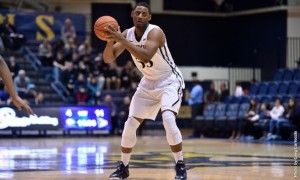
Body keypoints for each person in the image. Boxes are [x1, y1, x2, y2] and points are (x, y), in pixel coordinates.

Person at [103, 2, 187, 179]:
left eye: (144, 14)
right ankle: (124, 167)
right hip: (148, 81)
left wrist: (122, 40)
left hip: (169, 80)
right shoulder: (127, 34)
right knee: (130, 124)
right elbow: (109, 58)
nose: (140, 16)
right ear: (132, 14)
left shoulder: (155, 32)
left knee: (168, 118)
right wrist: (111, 41)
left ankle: (180, 165)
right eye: (137, 13)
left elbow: (146, 55)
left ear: (149, 17)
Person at [188, 72, 203, 138]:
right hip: (197, 105)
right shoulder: (198, 87)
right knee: (197, 120)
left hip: (196, 105)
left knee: (195, 120)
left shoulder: (197, 87)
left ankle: (196, 134)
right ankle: (197, 133)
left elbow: (192, 96)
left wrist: (189, 94)